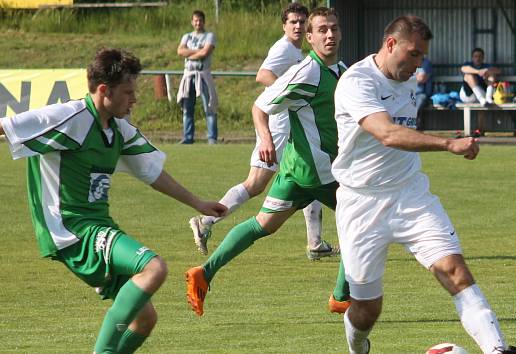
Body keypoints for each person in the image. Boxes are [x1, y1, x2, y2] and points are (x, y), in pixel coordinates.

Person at [0, 48, 227, 353]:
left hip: (98, 226)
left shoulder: (118, 128)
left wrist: (197, 203)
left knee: (144, 319)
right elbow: (6, 127)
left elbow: (152, 173)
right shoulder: (69, 117)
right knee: (154, 268)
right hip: (73, 227)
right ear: (104, 90)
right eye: (128, 92)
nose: (134, 99)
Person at [332, 16, 516, 354]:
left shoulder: (407, 78)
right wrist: (449, 144)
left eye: (422, 56)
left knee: (455, 271)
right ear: (390, 44)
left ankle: (498, 350)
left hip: (410, 195)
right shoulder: (356, 81)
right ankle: (357, 347)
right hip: (361, 203)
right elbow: (388, 134)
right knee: (367, 309)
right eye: (414, 54)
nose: (419, 64)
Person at [185, 7, 351, 317]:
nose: (330, 34)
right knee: (360, 221)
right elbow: (260, 107)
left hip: (296, 168)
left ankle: (203, 273)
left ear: (340, 32)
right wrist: (264, 139)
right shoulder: (307, 71)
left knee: (263, 224)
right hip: (320, 171)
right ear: (311, 37)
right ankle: (342, 297)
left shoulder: (339, 69)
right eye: (322, 30)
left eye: (334, 28)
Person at [176, 10, 219, 144]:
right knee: (187, 108)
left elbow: (205, 53)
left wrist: (190, 54)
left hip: (203, 74)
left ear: (204, 21)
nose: (198, 23)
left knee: (209, 106)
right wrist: (198, 51)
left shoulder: (209, 36)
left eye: (200, 20)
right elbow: (180, 51)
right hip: (189, 75)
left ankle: (212, 137)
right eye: (195, 20)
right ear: (192, 22)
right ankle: (188, 137)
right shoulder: (187, 36)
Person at [414, 56, 433, 131]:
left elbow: (421, 79)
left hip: (421, 94)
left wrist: (408, 77)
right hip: (408, 93)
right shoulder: (408, 61)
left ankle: (417, 128)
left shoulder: (426, 62)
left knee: (415, 107)